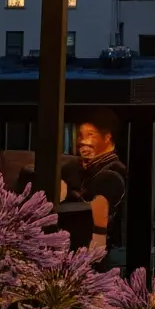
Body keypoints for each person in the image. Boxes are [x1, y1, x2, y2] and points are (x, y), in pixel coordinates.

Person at [61, 110, 128, 262]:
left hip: (91, 253)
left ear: (107, 137)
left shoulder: (112, 173)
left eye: (91, 135)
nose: (83, 141)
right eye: (80, 135)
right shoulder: (72, 167)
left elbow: (100, 220)